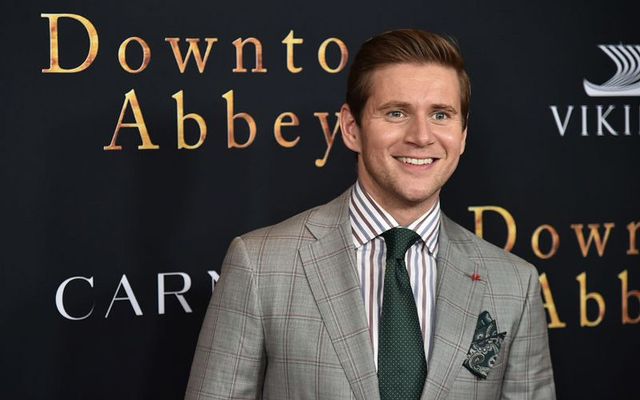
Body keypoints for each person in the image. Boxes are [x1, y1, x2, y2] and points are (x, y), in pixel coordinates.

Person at [184, 29, 556, 400]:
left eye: (441, 115)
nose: (421, 136)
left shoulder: (513, 284)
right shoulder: (261, 265)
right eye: (396, 113)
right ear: (351, 129)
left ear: (462, 135)